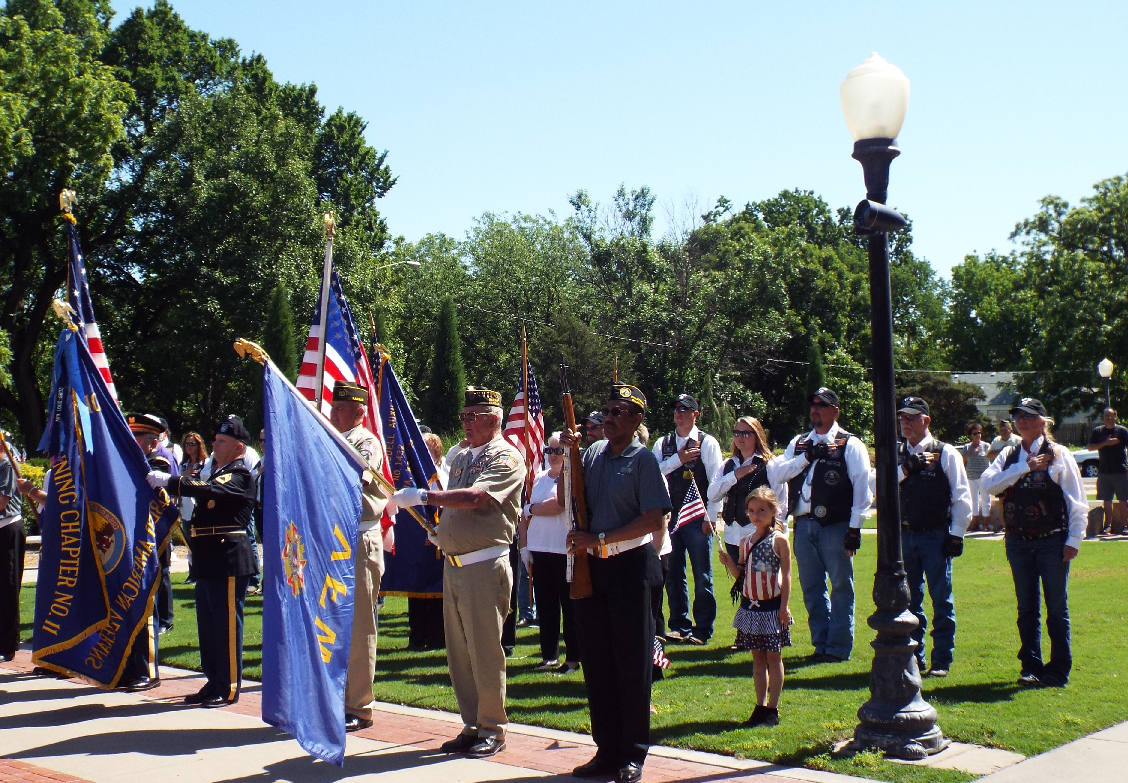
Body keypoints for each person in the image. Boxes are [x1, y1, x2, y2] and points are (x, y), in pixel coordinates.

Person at [392, 386, 525, 759]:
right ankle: (472, 725)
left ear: (493, 419)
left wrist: (423, 496)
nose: (466, 423)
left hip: (484, 565)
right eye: (464, 416)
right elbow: (456, 504)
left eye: (473, 416)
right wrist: (441, 531)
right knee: (459, 654)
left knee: (484, 651)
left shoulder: (507, 456)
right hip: (454, 565)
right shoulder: (463, 457)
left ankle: (493, 728)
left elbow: (477, 498)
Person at [561, 383, 670, 783]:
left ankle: (632, 753)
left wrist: (600, 539)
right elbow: (568, 497)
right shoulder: (591, 454)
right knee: (598, 661)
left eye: (618, 412)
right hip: (592, 568)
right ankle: (606, 750)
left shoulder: (643, 460)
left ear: (637, 419)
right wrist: (569, 456)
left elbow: (653, 519)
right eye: (606, 411)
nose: (608, 418)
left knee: (632, 662)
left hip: (630, 567)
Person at [147, 414, 258, 707]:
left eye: (222, 441)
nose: (215, 444)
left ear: (238, 447)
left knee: (226, 627)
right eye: (215, 440)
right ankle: (213, 681)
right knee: (208, 627)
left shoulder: (241, 474)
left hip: (228, 558)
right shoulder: (216, 472)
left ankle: (228, 686)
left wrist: (171, 481)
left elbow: (209, 490)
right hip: (209, 558)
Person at [980, 398, 1087, 688]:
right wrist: (1023, 469)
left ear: (1043, 421)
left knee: (1056, 608)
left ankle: (1058, 669)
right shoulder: (1010, 454)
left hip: (1052, 540)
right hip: (1018, 542)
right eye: (1018, 416)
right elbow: (988, 484)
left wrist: (1074, 539)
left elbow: (1076, 501)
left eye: (1028, 415)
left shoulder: (1058, 454)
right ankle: (1031, 666)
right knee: (1026, 608)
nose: (1022, 421)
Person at [776, 387, 872, 663]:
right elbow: (778, 473)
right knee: (811, 587)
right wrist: (807, 457)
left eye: (822, 404)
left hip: (835, 525)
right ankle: (821, 643)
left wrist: (854, 528)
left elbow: (862, 488)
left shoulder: (849, 443)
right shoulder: (799, 443)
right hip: (803, 522)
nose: (815, 409)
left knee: (841, 585)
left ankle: (838, 647)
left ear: (835, 411)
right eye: (813, 404)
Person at [328, 381, 391, 732]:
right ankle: (335, 698)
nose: (334, 413)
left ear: (359, 413)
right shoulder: (332, 436)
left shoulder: (366, 442)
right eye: (333, 407)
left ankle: (359, 705)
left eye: (341, 408)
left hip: (357, 539)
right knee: (333, 622)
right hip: (332, 538)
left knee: (359, 626)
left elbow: (354, 476)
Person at [895, 397, 973, 678]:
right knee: (909, 600)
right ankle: (914, 657)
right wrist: (906, 469)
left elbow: (962, 496)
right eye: (902, 417)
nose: (905, 422)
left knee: (941, 599)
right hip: (906, 535)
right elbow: (876, 486)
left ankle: (941, 659)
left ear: (926, 420)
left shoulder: (945, 452)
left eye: (911, 417)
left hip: (935, 534)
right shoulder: (897, 453)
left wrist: (956, 535)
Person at [707, 416, 789, 650]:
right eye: (737, 433)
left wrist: (778, 531)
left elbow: (781, 500)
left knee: (763, 582)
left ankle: (773, 629)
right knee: (742, 582)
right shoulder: (728, 465)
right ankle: (746, 633)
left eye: (746, 433)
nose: (740, 438)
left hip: (759, 534)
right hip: (733, 532)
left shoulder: (769, 464)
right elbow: (712, 493)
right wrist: (736, 475)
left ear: (757, 435)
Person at [717, 487, 792, 727]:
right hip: (751, 609)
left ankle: (773, 708)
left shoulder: (779, 541)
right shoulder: (745, 542)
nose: (756, 515)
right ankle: (760, 706)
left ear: (774, 511)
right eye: (751, 510)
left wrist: (784, 607)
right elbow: (741, 575)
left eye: (761, 510)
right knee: (757, 658)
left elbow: (787, 576)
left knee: (774, 657)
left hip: (772, 609)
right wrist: (729, 562)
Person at [654, 393, 723, 645]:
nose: (679, 413)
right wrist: (678, 460)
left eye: (684, 409)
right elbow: (653, 473)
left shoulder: (707, 442)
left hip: (697, 517)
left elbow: (716, 482)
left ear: (696, 414)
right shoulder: (663, 443)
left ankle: (702, 629)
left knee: (702, 575)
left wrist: (711, 517)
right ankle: (679, 625)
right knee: (673, 574)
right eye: (676, 409)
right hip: (670, 518)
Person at [520, 433, 579, 673]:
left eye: (558, 451)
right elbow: (523, 516)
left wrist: (531, 508)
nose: (553, 456)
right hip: (540, 548)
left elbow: (558, 505)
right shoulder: (539, 478)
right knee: (546, 606)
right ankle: (549, 656)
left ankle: (573, 658)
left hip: (563, 549)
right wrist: (524, 547)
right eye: (550, 451)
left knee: (569, 607)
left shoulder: (571, 476)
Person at [123, 413, 171, 687]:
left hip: (148, 549)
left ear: (152, 443)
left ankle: (147, 671)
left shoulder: (158, 465)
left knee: (145, 608)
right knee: (127, 608)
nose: (131, 441)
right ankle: (129, 666)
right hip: (128, 546)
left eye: (137, 437)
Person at [406, 432, 447, 652]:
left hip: (438, 539)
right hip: (417, 539)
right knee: (416, 589)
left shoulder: (441, 476)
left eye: (428, 450)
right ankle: (416, 636)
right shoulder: (412, 477)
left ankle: (436, 637)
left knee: (437, 591)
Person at [0, 436, 23, 663]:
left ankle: (8, 645)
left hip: (7, 528)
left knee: (8, 587)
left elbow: (2, 500)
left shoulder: (6, 465)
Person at [1089, 407, 1128, 535]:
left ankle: (1125, 526)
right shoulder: (1098, 431)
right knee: (1107, 500)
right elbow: (1090, 447)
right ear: (1103, 417)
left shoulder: (1122, 431)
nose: (1109, 418)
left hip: (1120, 471)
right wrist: (1105, 443)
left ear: (1115, 417)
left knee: (1123, 500)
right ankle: (1107, 526)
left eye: (1111, 415)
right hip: (1104, 471)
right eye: (1106, 415)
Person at [958, 423, 992, 532]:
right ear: (971, 435)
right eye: (975, 433)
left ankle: (985, 523)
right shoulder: (967, 447)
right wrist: (970, 453)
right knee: (973, 500)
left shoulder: (986, 446)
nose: (977, 435)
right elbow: (961, 461)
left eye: (979, 433)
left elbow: (991, 458)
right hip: (971, 476)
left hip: (983, 477)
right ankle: (975, 522)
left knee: (986, 499)